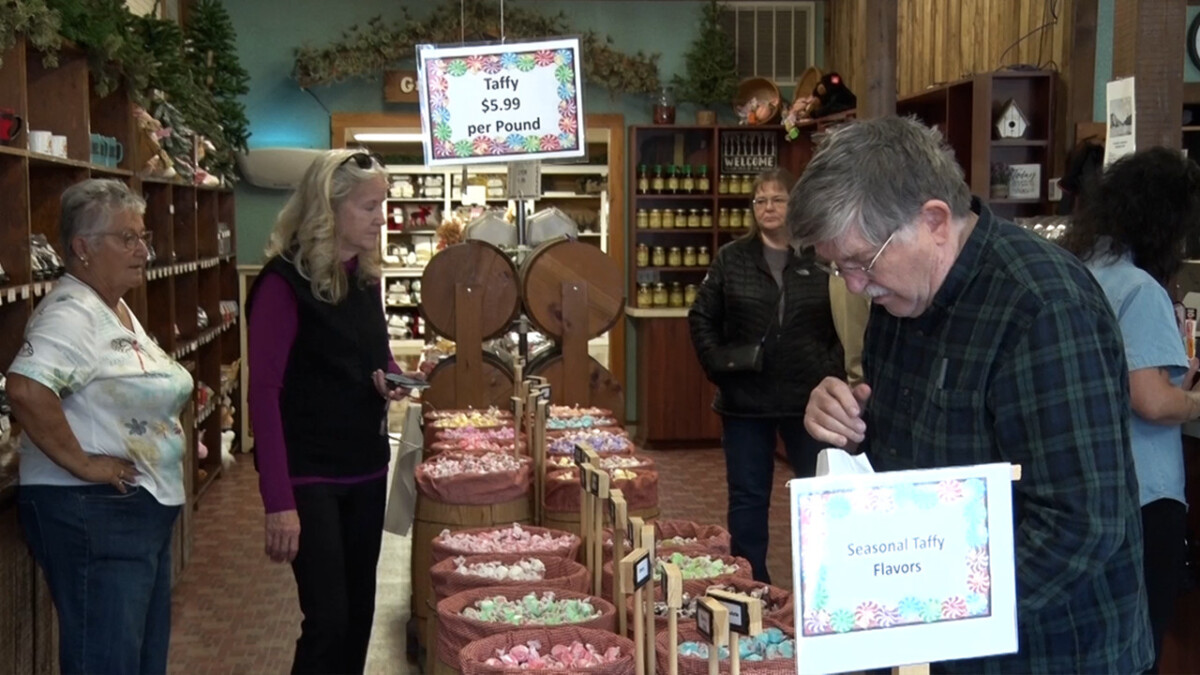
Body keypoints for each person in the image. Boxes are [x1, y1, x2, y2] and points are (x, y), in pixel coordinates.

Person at [790, 116, 1152, 673]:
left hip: (1052, 653)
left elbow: (1082, 525)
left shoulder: (1042, 307)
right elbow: (906, 462)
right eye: (838, 268)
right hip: (938, 639)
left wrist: (928, 613)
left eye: (861, 261)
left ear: (934, 221)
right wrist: (849, 421)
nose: (855, 285)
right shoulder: (900, 299)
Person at [7, 179, 191, 674]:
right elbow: (26, 388)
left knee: (138, 659)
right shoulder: (70, 314)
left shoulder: (114, 306)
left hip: (133, 513)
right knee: (106, 660)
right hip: (96, 514)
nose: (142, 249)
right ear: (82, 248)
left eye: (143, 235)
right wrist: (83, 463)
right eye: (126, 238)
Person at [246, 149, 413, 674]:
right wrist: (279, 501)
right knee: (328, 619)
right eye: (369, 206)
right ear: (329, 207)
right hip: (310, 475)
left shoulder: (363, 276)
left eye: (381, 205)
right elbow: (263, 395)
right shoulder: (282, 283)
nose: (380, 218)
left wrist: (391, 376)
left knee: (359, 615)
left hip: (366, 467)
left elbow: (375, 351)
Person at [1059, 147, 1200, 673]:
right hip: (1148, 495)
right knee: (1143, 643)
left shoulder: (1082, 270)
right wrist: (1193, 400)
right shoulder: (1140, 290)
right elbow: (1150, 399)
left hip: (1094, 485)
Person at [688, 167, 844, 583]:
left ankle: (823, 581)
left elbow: (842, 324)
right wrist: (717, 364)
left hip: (808, 400)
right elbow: (702, 316)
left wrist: (829, 368)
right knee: (748, 498)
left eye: (777, 199)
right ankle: (752, 585)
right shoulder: (732, 258)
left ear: (795, 206)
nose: (768, 207)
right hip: (745, 400)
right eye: (760, 200)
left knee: (819, 494)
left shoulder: (822, 258)